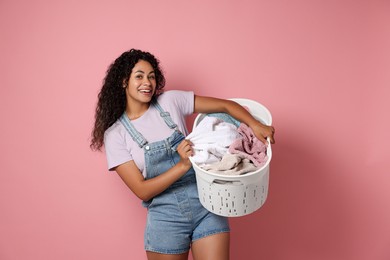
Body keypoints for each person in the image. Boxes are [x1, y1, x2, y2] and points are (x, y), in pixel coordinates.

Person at [90, 49, 275, 260]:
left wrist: (255, 124)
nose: (147, 82)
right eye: (139, 76)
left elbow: (225, 105)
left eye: (152, 76)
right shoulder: (116, 134)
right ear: (124, 81)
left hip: (207, 204)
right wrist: (182, 165)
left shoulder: (170, 101)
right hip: (165, 217)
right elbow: (142, 190)